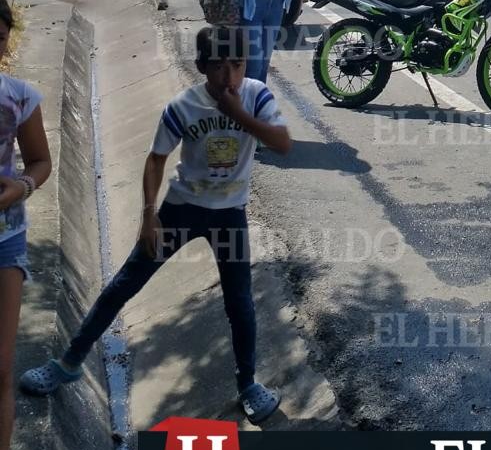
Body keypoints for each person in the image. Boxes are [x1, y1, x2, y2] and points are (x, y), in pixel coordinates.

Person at [20, 27, 290, 426]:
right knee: (125, 284)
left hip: (230, 215)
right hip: (182, 209)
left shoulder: (256, 96)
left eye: (238, 64)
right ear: (201, 67)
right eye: (219, 67)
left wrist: (240, 116)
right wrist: (148, 216)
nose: (230, 76)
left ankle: (248, 384)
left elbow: (283, 143)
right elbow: (156, 159)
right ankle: (69, 362)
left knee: (240, 302)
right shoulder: (183, 107)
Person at [0, 0, 52, 450]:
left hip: (5, 238)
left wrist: (23, 188)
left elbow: (40, 161)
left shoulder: (20, 97)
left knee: (1, 370)